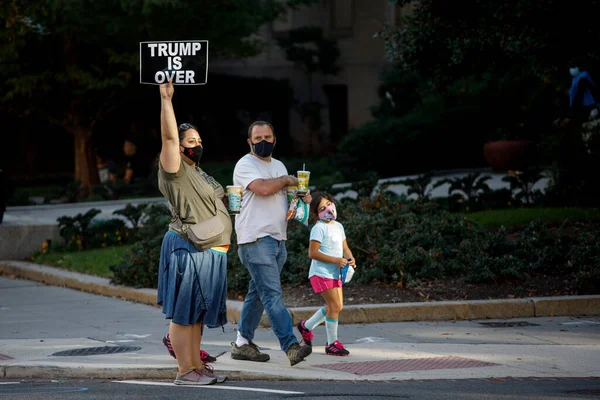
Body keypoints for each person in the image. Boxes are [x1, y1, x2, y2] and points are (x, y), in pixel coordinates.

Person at [156, 80, 232, 385]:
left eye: (198, 138)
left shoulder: (199, 172)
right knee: (184, 313)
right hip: (188, 249)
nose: (195, 143)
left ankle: (197, 366)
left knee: (197, 314)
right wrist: (166, 100)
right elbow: (169, 137)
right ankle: (184, 371)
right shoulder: (174, 168)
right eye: (190, 139)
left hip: (210, 252)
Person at [230, 120, 313, 366]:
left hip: (278, 239)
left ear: (275, 139)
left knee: (257, 295)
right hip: (255, 238)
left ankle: (242, 343)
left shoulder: (278, 165)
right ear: (249, 142)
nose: (263, 142)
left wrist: (303, 197)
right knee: (272, 295)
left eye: (267, 137)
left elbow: (287, 201)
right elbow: (263, 189)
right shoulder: (245, 164)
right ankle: (290, 345)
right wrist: (287, 179)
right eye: (258, 138)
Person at [296, 192, 356, 356]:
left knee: (336, 306)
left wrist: (350, 258)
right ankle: (332, 344)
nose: (328, 209)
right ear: (317, 213)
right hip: (321, 273)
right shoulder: (318, 228)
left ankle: (306, 327)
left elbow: (345, 247)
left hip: (335, 273)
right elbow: (313, 253)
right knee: (334, 306)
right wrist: (336, 260)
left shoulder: (338, 226)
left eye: (329, 203)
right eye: (323, 208)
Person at [554, 63, 600, 128]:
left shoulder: (584, 76)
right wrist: (562, 117)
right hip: (583, 110)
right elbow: (572, 101)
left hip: (590, 109)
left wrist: (569, 116)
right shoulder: (574, 80)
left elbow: (578, 97)